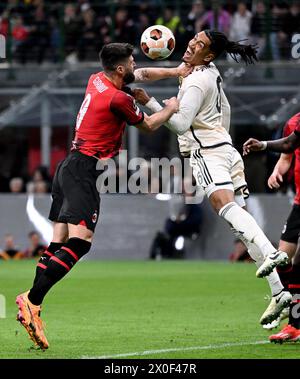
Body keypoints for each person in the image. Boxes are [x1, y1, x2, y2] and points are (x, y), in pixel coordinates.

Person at [15, 42, 192, 350]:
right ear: (121, 69)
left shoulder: (97, 79)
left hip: (67, 167)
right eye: (132, 62)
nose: (137, 66)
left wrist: (176, 70)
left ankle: (33, 307)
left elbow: (141, 74)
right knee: (80, 243)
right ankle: (32, 300)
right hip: (83, 171)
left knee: (57, 244)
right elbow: (149, 125)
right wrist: (171, 108)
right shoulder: (118, 99)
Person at [133, 30, 291, 328]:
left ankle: (273, 253)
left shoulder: (195, 81)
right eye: (194, 39)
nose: (192, 44)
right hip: (226, 149)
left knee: (224, 207)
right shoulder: (210, 72)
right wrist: (223, 138)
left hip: (207, 152)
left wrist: (152, 103)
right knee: (241, 226)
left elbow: (179, 124)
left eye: (200, 45)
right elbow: (226, 108)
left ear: (208, 55)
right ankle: (279, 292)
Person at [243, 112, 300, 343]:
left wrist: (262, 145)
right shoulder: (294, 122)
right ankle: (295, 323)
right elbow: (288, 150)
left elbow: (288, 143)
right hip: (299, 201)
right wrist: (278, 169)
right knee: (285, 259)